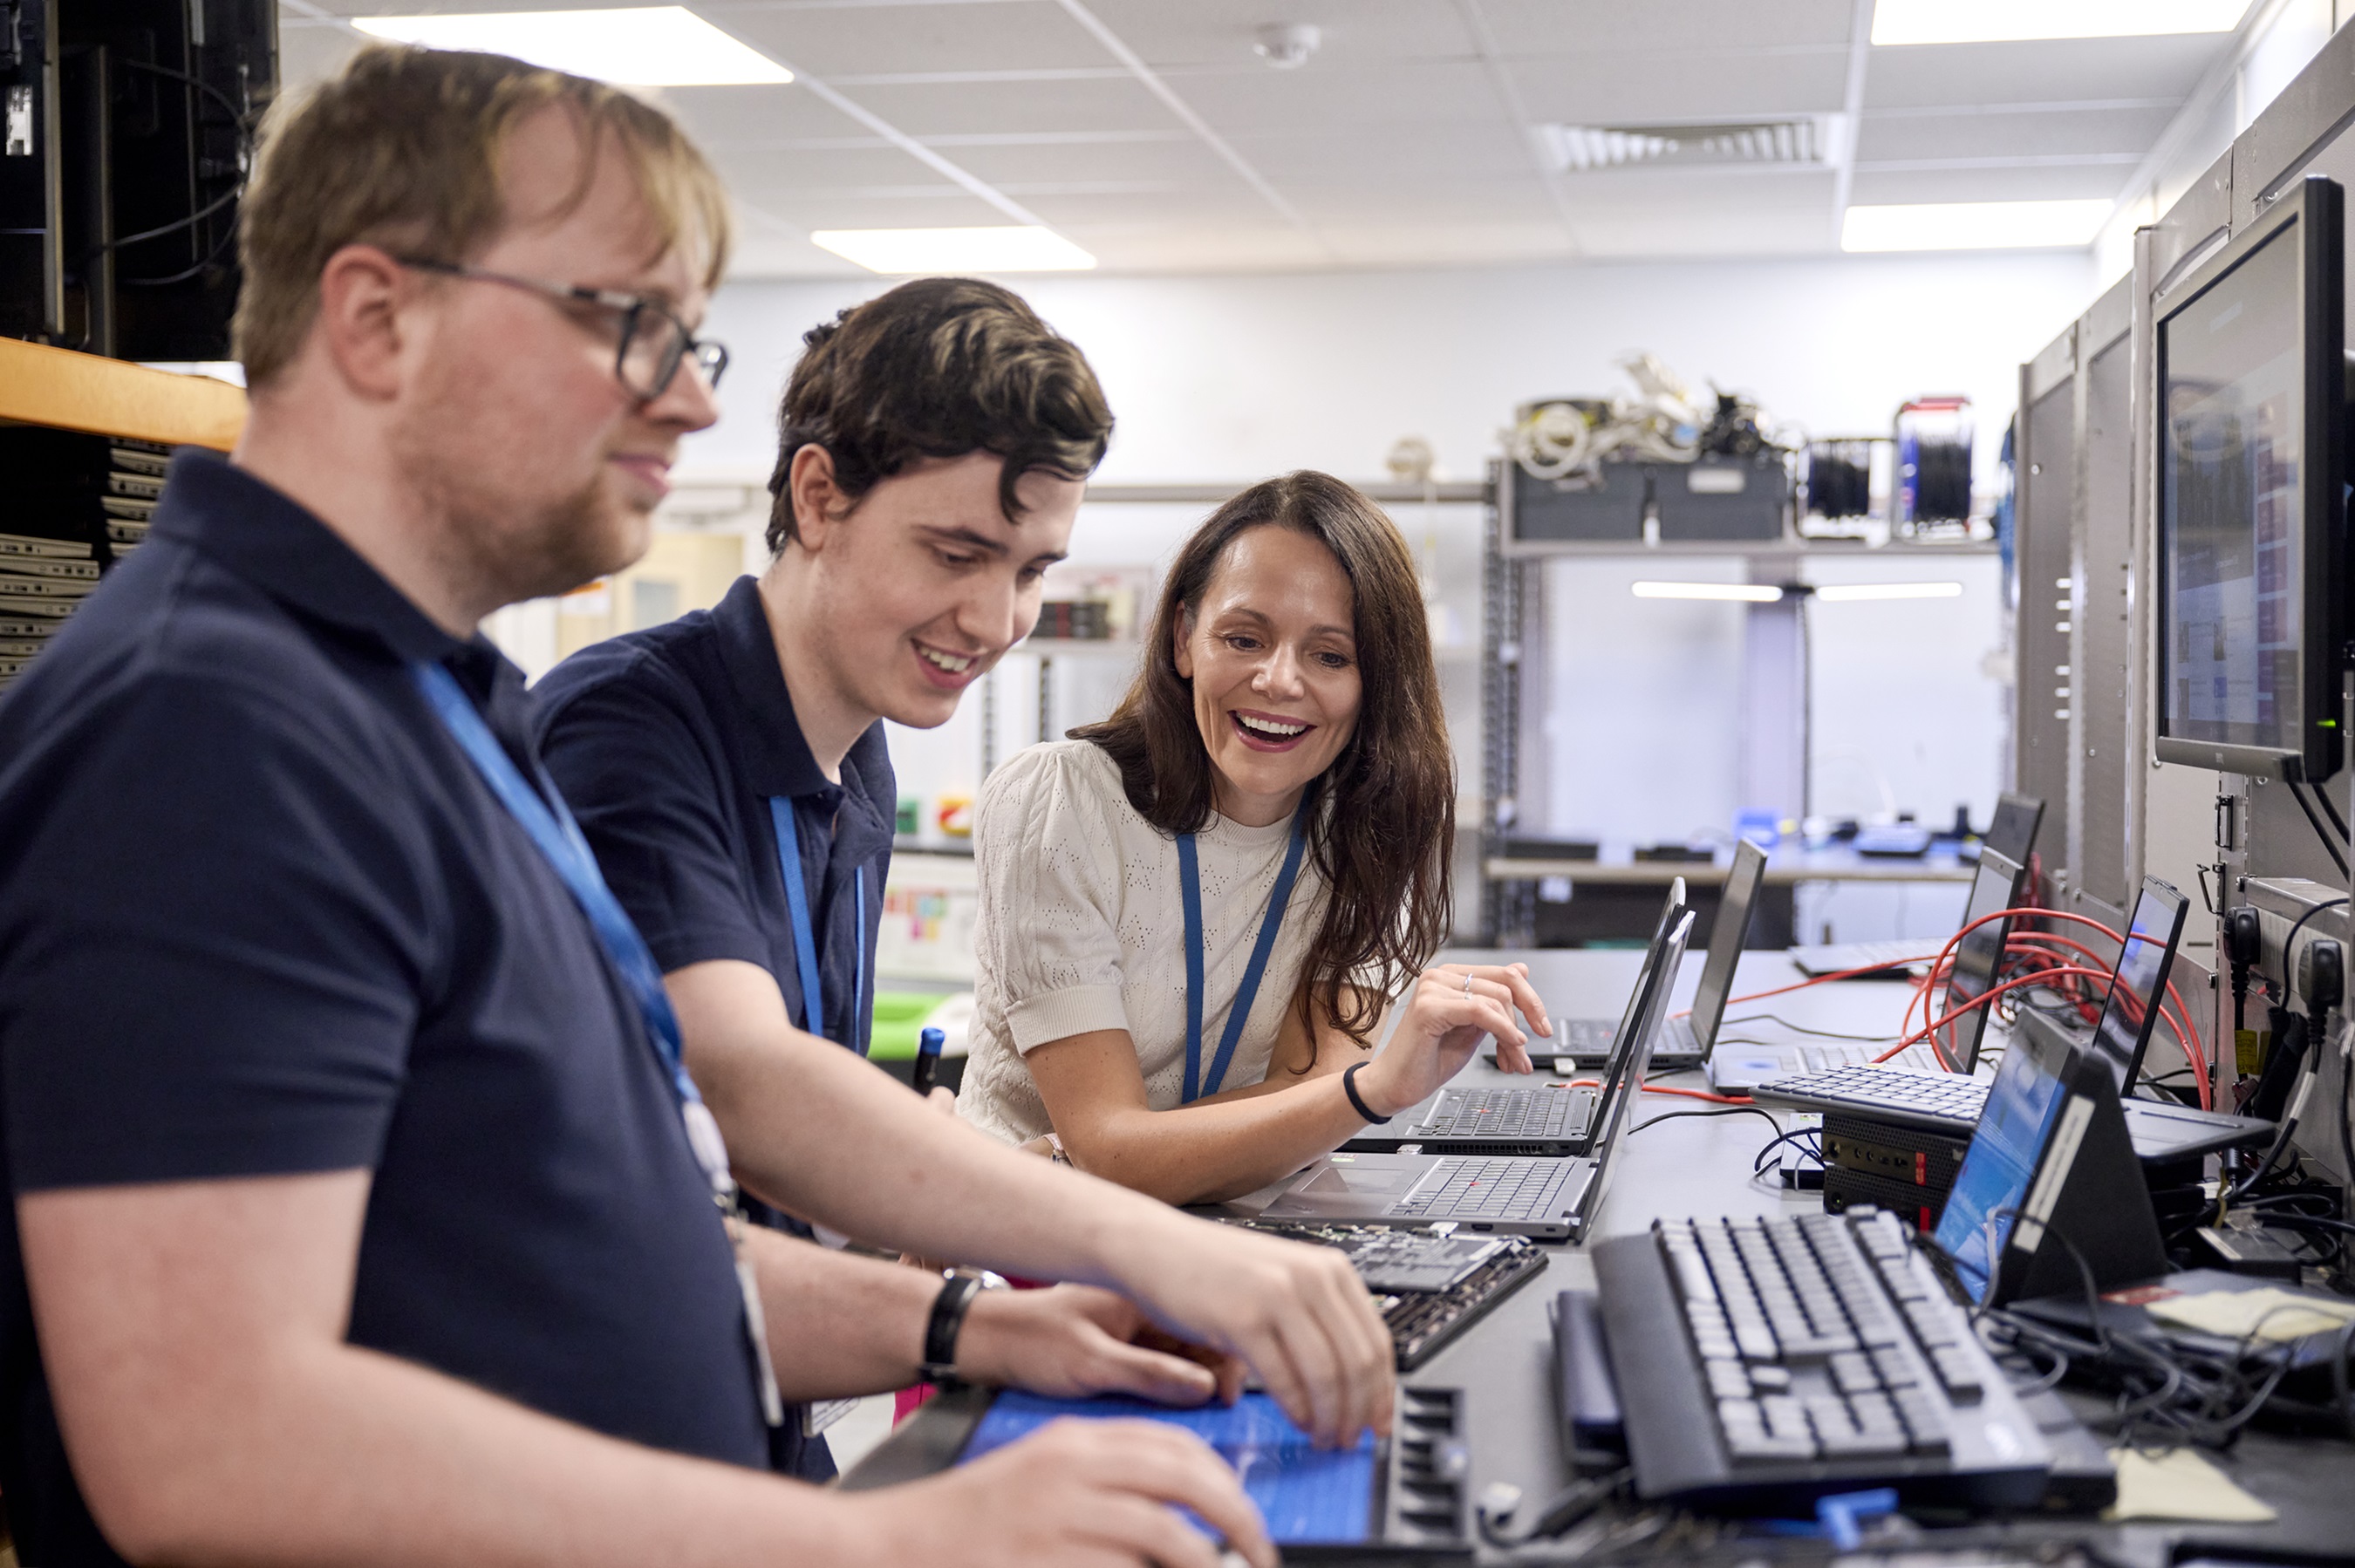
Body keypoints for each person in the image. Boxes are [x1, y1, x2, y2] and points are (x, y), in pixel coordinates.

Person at [0, 46, 1366, 1568]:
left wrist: (977, 1318)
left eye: (693, 340)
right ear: (377, 318)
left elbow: (592, 1243)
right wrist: (898, 1541)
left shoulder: (432, 704)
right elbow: (207, 1441)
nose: (688, 399)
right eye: (625, 323)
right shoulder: (212, 728)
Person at [533, 278, 1389, 1464]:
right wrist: (1149, 1241)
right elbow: (743, 1080)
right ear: (819, 493)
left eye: (1033, 569)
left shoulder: (856, 760)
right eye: (958, 552)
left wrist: (996, 1320)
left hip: (753, 1406)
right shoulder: (631, 727)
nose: (996, 618)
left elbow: (739, 1200)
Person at [956, 473, 1550, 1203]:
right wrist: (1369, 1092)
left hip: (1221, 1223)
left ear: (1376, 680)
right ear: (1184, 640)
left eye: (1330, 656)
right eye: (1244, 638)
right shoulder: (1059, 804)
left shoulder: (1369, 829)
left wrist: (1078, 1157)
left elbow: (1309, 1094)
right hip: (1016, 1240)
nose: (1278, 681)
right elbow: (1115, 1147)